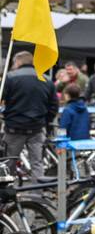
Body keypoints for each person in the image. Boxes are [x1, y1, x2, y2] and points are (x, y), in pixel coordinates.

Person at [2, 51, 57, 179]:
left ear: (18, 62)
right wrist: (46, 122)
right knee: (37, 163)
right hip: (37, 128)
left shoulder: (10, 77)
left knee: (8, 162)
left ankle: (7, 193)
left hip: (14, 128)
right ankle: (37, 194)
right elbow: (53, 106)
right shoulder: (47, 80)